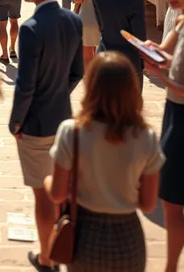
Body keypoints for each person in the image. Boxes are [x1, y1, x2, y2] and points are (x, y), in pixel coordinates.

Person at [46, 52, 164, 272]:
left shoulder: (72, 132)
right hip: (128, 239)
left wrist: (47, 181)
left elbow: (57, 194)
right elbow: (148, 204)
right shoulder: (145, 137)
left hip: (85, 236)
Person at [9, 0, 83, 272]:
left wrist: (15, 122)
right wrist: (57, 97)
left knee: (42, 195)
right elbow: (77, 72)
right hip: (63, 119)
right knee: (61, 192)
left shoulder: (30, 28)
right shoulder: (73, 20)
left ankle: (47, 257)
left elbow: (25, 85)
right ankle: (63, 247)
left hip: (36, 124)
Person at [143, 0, 184, 272]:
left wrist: (161, 75)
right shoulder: (180, 22)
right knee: (170, 199)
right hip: (173, 111)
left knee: (171, 197)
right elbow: (164, 52)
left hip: (181, 113)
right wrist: (147, 48)